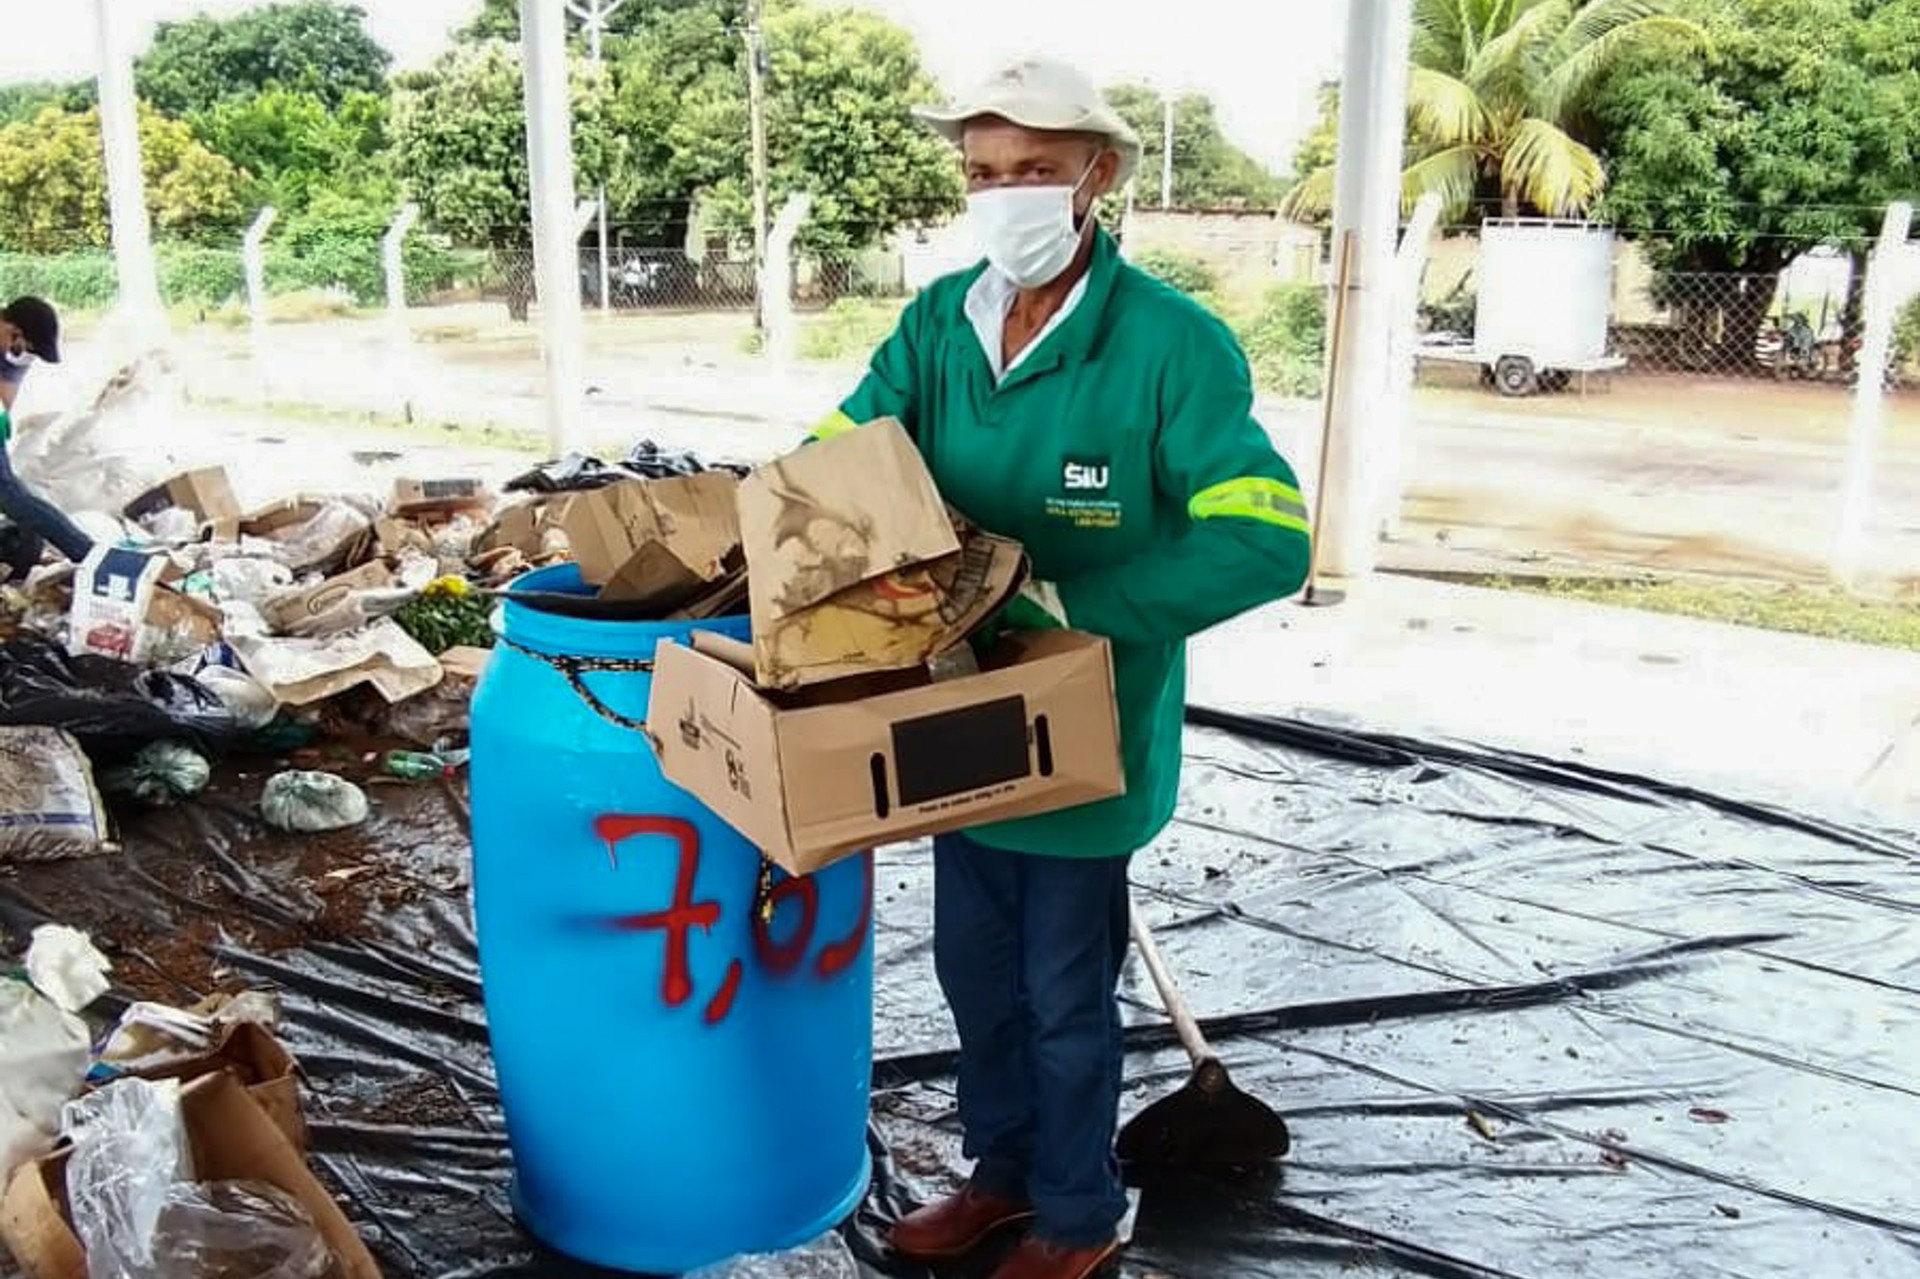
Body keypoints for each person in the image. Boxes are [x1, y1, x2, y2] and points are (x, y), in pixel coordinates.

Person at [814, 59, 1313, 1279]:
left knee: (1062, 994)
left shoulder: (1171, 346)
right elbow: (843, 458)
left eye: (1034, 170)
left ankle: (1080, 1212)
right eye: (983, 173)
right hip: (945, 711)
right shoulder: (939, 320)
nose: (1005, 194)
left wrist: (1076, 605)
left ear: (1097, 175)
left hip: (1081, 729)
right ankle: (1001, 1177)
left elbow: (1266, 536)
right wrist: (779, 535)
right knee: (974, 973)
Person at [0, 295, 94, 571]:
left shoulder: (15, 355)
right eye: (19, 345)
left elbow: (4, 399)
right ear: (10, 328)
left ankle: (89, 556)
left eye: (26, 351)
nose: (19, 353)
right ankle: (88, 554)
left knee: (9, 495)